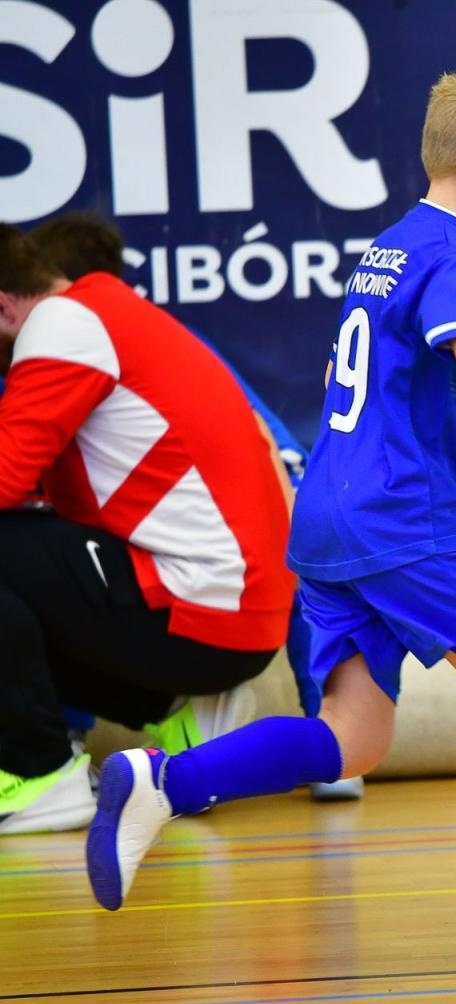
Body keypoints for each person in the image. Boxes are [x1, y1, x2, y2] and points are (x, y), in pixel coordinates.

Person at [85, 57, 456, 965]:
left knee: (354, 738)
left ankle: (163, 780)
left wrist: (448, 453)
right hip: (403, 521)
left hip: (329, 514)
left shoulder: (388, 247)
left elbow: (350, 383)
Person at [28, 213, 364, 802]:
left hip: (217, 552)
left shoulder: (71, 340)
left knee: (46, 560)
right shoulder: (164, 335)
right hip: (248, 536)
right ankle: (326, 739)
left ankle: (67, 740)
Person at [0, 225, 295, 835]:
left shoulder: (64, 325)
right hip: (236, 613)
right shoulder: (110, 315)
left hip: (206, 614)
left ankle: (40, 775)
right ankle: (174, 715)